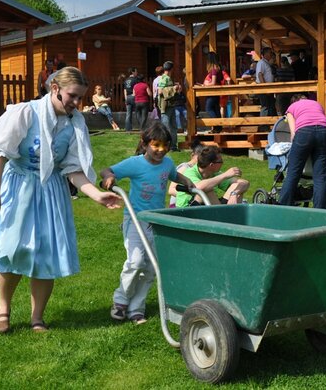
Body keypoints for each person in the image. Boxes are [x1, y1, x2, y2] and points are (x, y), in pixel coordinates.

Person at [0, 67, 121, 334]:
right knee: (13, 248)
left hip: (51, 191)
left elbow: (73, 170)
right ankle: (3, 309)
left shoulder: (74, 123)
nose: (77, 103)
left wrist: (96, 194)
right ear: (55, 89)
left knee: (46, 253)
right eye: (73, 96)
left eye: (80, 98)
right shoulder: (25, 113)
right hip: (19, 186)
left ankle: (37, 317)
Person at [101, 123, 194, 324]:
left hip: (156, 221)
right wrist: (108, 177)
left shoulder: (167, 163)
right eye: (156, 145)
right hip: (135, 219)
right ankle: (121, 301)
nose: (160, 150)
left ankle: (137, 307)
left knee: (152, 268)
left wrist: (185, 181)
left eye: (165, 145)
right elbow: (107, 170)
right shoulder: (135, 163)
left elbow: (173, 175)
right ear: (145, 144)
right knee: (135, 262)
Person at [278, 94, 326, 209]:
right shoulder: (317, 104)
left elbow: (293, 133)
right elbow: (321, 119)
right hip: (324, 131)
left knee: (293, 173)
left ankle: (283, 206)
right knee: (320, 176)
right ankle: (321, 210)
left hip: (304, 132)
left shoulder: (291, 108)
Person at [175, 146, 250, 207]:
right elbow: (199, 187)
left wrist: (234, 194)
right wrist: (225, 175)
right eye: (221, 161)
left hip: (209, 205)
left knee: (238, 188)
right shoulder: (190, 173)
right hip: (187, 209)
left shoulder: (214, 174)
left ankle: (231, 216)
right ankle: (223, 217)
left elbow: (245, 183)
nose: (223, 163)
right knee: (207, 189)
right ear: (212, 165)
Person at [168, 138, 204, 207]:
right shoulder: (184, 168)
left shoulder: (199, 170)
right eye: (199, 157)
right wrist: (190, 197)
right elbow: (171, 190)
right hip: (176, 205)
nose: (201, 160)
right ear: (192, 155)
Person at [157, 61, 180, 151]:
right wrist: (173, 88)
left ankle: (173, 146)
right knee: (166, 127)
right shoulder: (164, 78)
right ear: (171, 69)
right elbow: (160, 91)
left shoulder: (168, 78)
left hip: (171, 105)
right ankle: (166, 146)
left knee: (173, 126)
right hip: (165, 106)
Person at [256, 47, 276, 116]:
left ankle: (269, 124)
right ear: (266, 53)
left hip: (268, 88)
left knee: (270, 106)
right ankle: (263, 125)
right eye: (270, 53)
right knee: (265, 107)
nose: (271, 54)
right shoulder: (261, 62)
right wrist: (265, 88)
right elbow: (260, 74)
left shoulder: (266, 63)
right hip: (264, 89)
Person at [123, 67, 139, 131]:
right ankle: (141, 127)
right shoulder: (136, 79)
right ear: (133, 72)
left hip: (128, 97)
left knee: (128, 114)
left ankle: (128, 128)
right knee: (138, 113)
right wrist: (135, 95)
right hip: (134, 96)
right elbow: (136, 88)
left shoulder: (126, 80)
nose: (137, 73)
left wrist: (126, 98)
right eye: (136, 71)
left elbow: (125, 90)